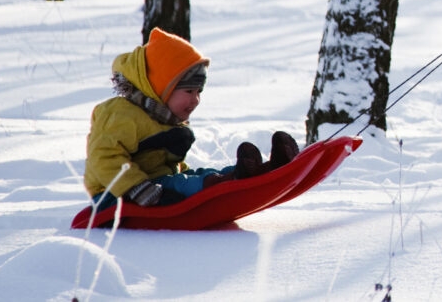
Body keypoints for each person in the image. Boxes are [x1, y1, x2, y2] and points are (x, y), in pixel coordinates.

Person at [83, 27, 301, 210]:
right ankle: (231, 182)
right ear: (161, 88)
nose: (196, 100)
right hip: (115, 194)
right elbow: (104, 157)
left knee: (201, 175)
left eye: (199, 92)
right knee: (185, 183)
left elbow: (164, 164)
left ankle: (261, 171)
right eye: (189, 92)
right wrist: (139, 189)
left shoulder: (160, 117)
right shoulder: (121, 114)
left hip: (154, 183)